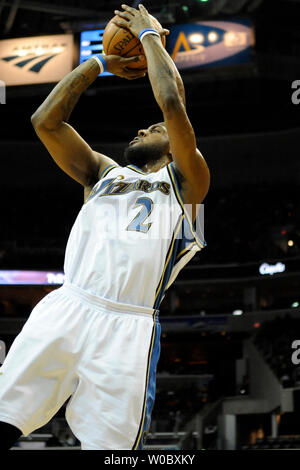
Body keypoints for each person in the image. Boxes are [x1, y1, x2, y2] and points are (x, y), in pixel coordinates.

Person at [0, 4, 210, 450]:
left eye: (154, 128)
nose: (142, 126)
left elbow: (171, 101)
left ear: (175, 146)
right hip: (66, 305)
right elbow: (45, 122)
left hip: (127, 327)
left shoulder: (187, 183)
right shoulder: (103, 174)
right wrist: (99, 63)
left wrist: (149, 36)